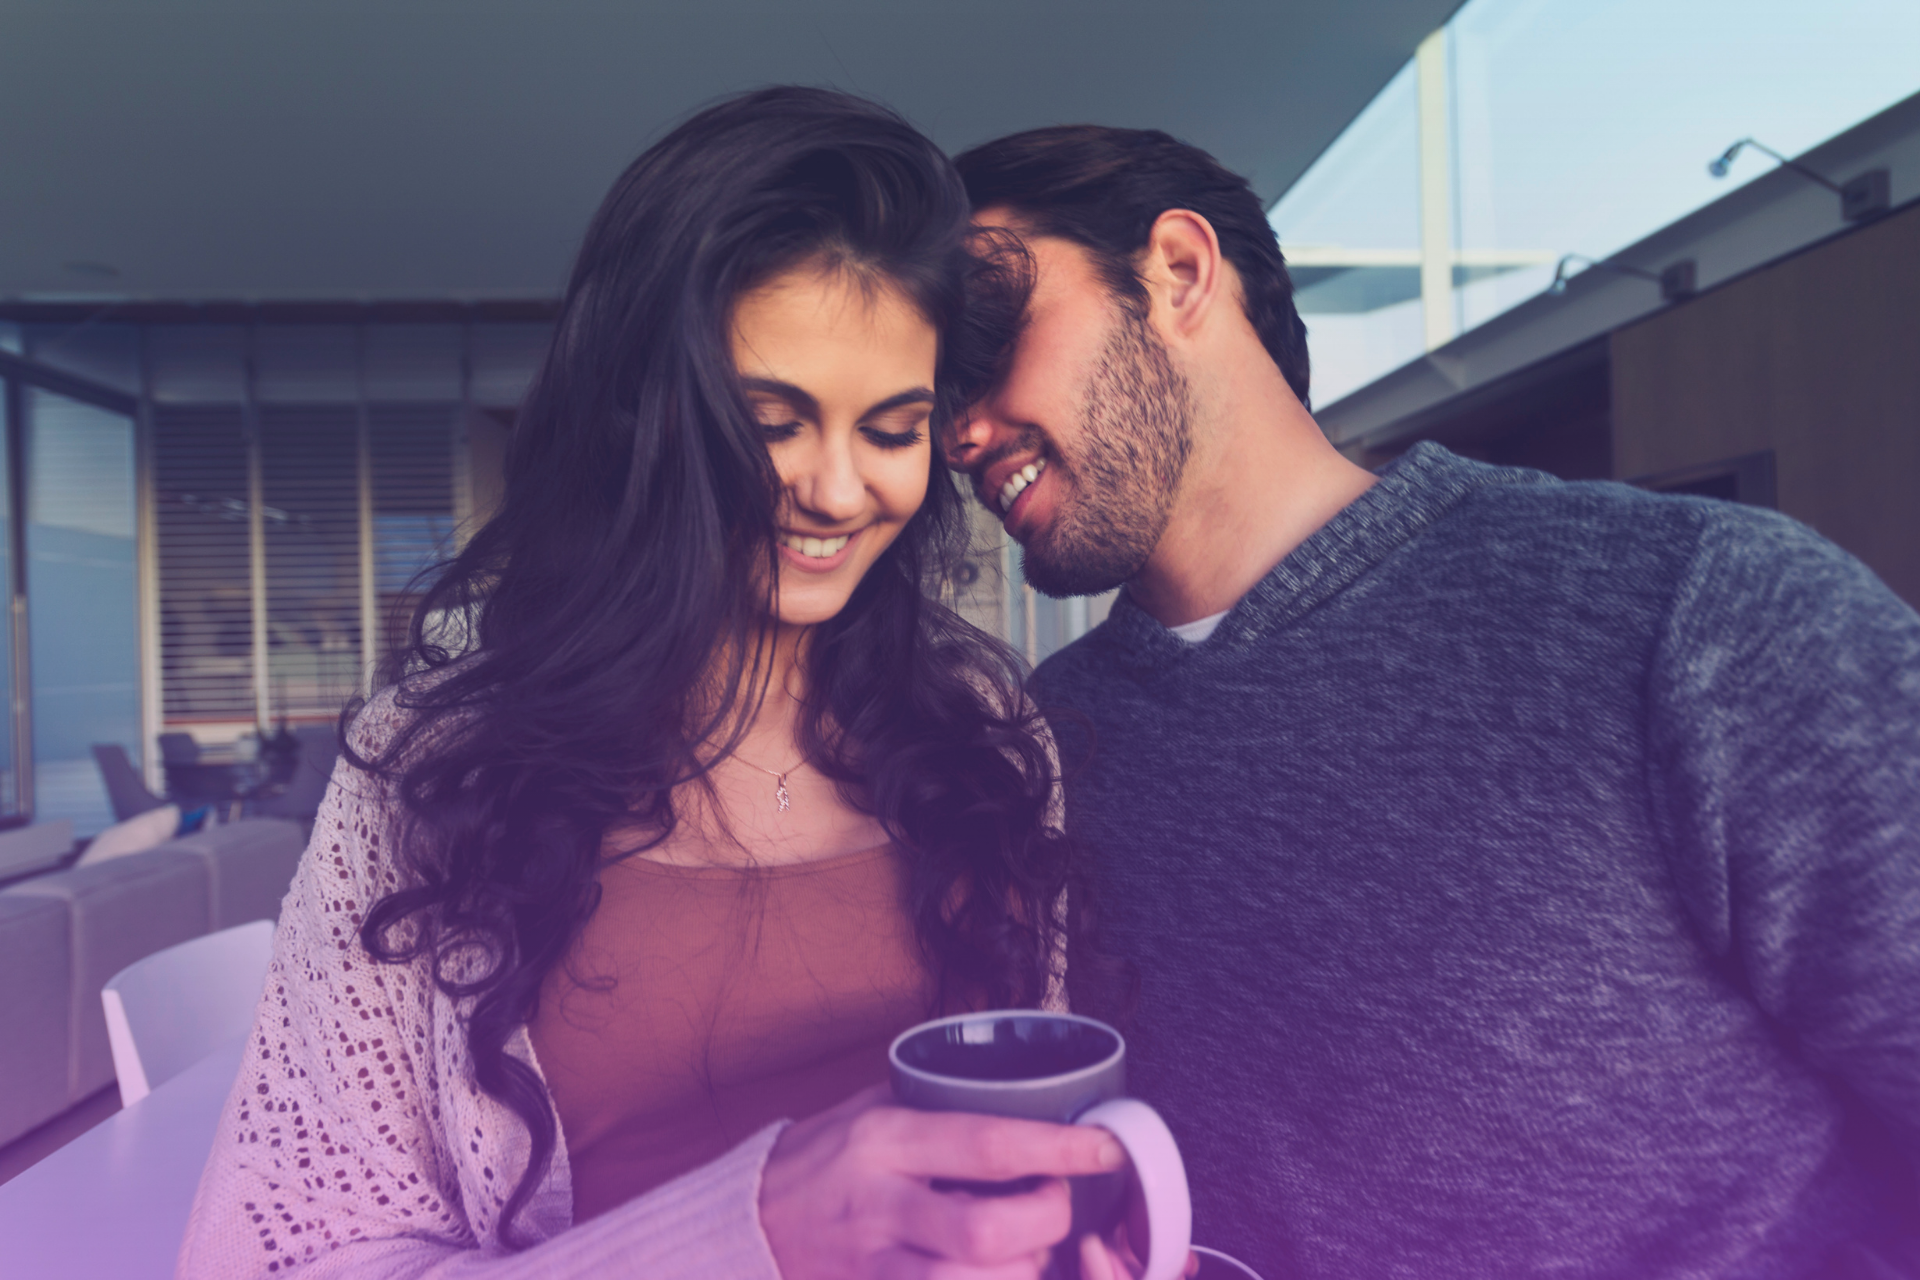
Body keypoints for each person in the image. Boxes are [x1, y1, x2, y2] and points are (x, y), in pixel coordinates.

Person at [177, 88, 1143, 1280]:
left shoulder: (989, 735)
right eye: (770, 422)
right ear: (641, 415)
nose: (838, 492)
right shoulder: (442, 759)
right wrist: (750, 1230)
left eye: (890, 429)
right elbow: (283, 1259)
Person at [943, 123, 1920, 1278]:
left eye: (986, 332)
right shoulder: (1043, 750)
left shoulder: (1696, 611)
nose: (958, 430)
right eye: (934, 388)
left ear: (1180, 270)